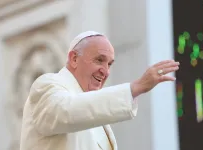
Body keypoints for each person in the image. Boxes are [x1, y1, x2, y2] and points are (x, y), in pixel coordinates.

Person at [20, 31, 180, 150]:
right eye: (99, 60)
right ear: (74, 59)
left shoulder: (94, 108)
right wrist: (133, 89)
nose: (105, 71)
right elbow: (66, 111)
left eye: (109, 64)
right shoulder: (46, 84)